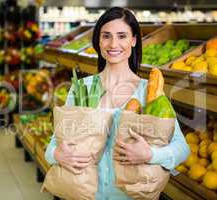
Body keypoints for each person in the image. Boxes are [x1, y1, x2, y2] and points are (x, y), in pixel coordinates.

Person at [45, 7, 190, 200]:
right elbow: (54, 144)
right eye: (106, 36)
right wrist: (57, 155)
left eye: (122, 36)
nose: (113, 44)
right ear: (98, 40)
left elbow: (182, 148)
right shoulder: (82, 89)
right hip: (87, 194)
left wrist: (150, 155)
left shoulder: (149, 91)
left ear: (133, 40)